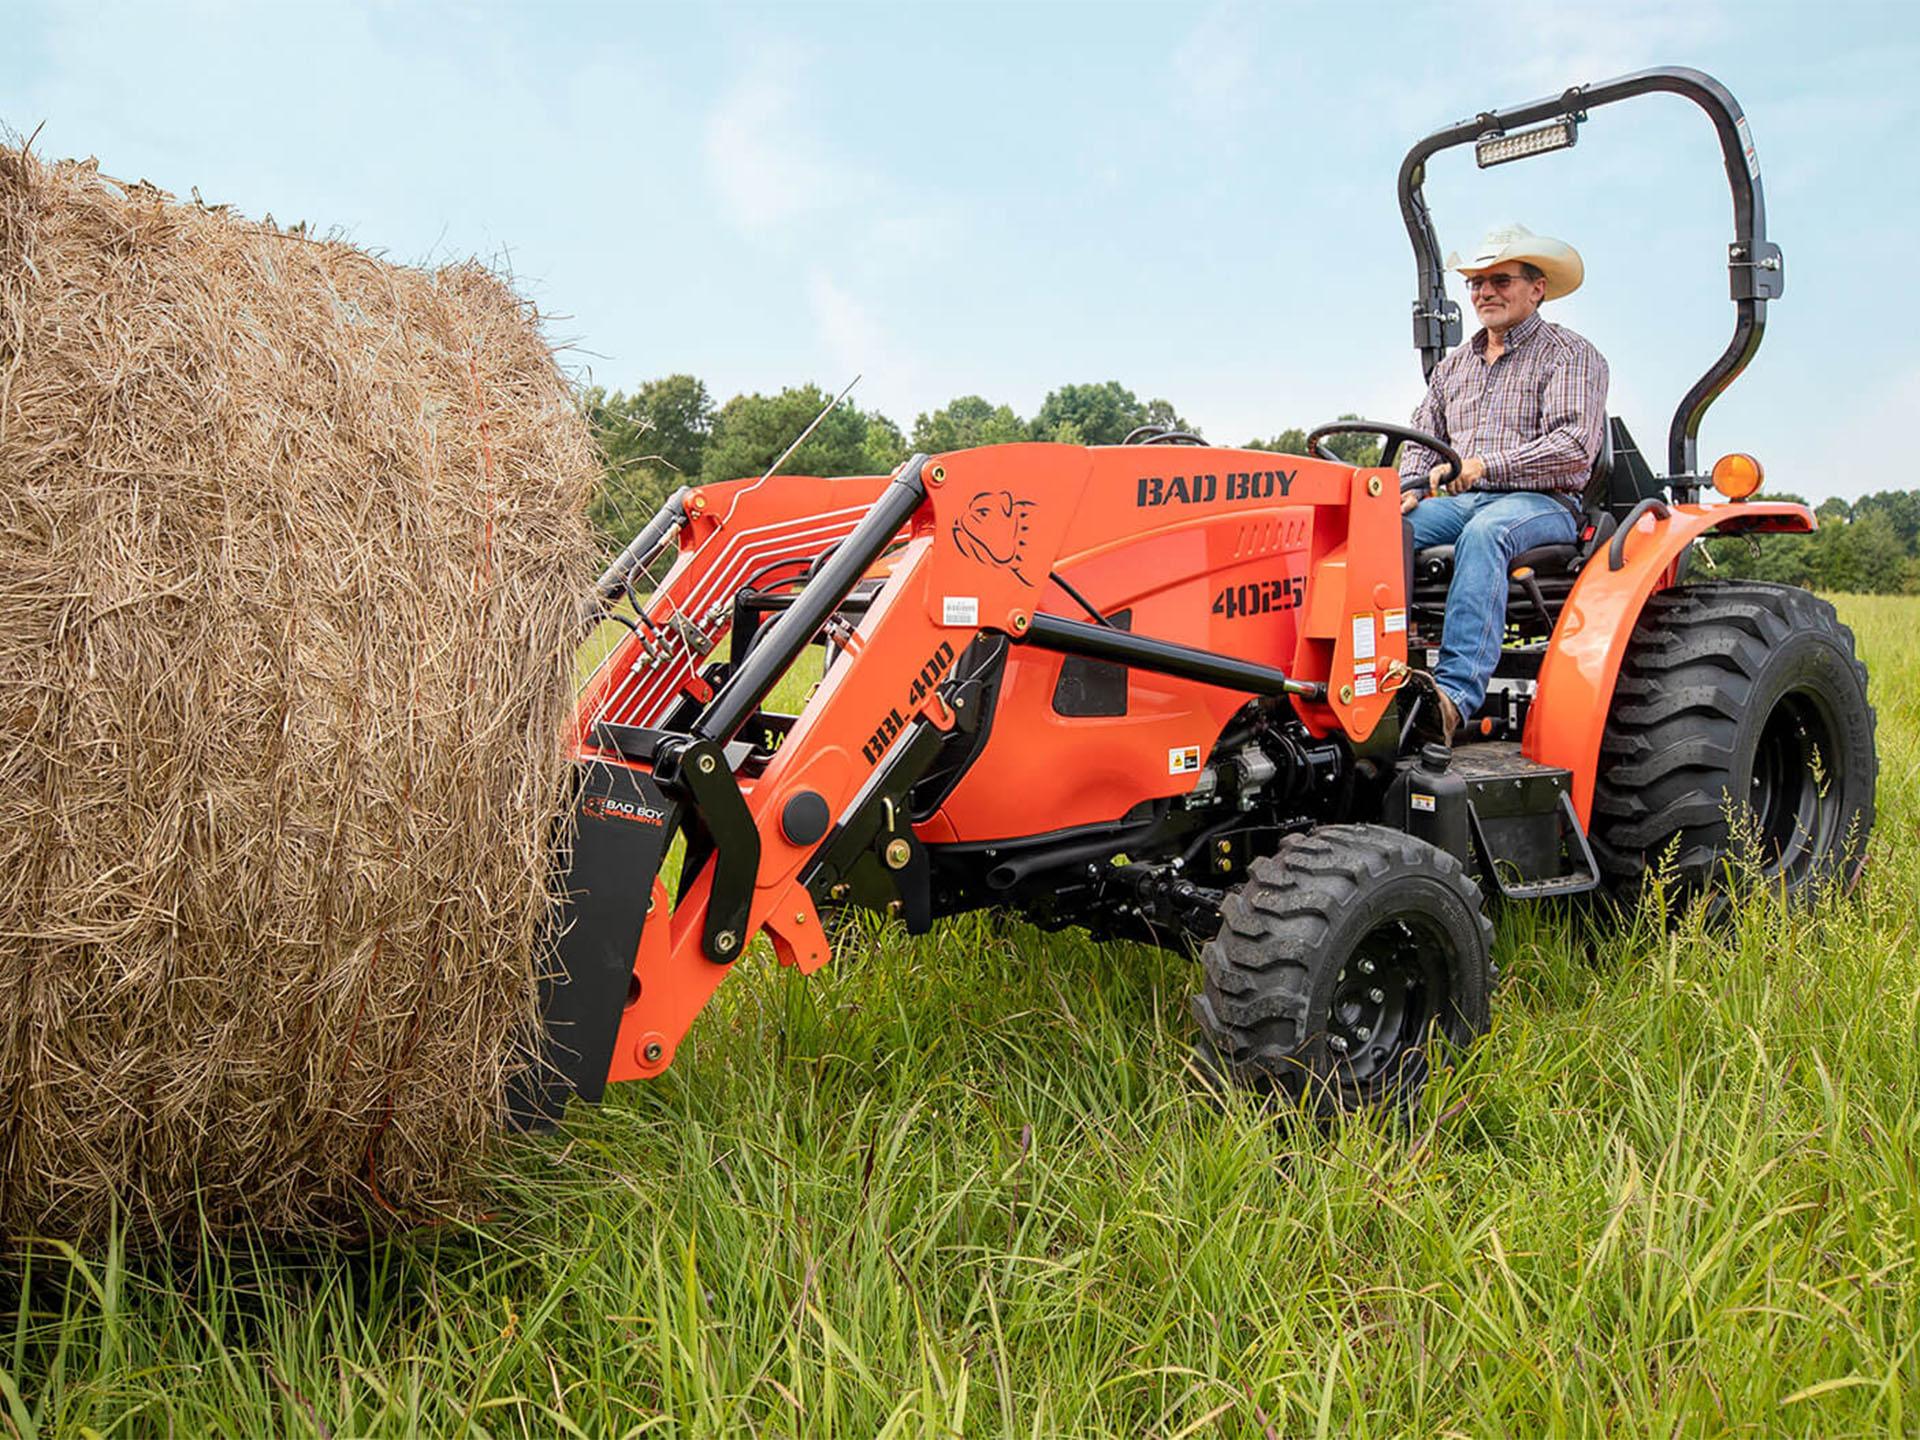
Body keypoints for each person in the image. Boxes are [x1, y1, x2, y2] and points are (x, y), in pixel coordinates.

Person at [1397, 222, 1609, 743]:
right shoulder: (1454, 369)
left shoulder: (1571, 355)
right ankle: (1374, 675)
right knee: (1380, 530)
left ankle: (1451, 699)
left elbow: (1574, 448)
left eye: (1500, 280)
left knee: (1488, 532)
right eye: (1475, 283)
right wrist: (1409, 487)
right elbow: (1422, 440)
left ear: (1537, 288)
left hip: (1545, 503)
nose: (1484, 292)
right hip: (1464, 501)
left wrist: (1487, 465)